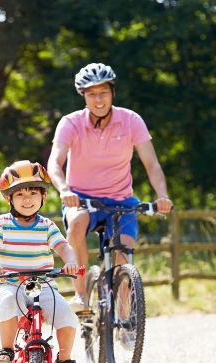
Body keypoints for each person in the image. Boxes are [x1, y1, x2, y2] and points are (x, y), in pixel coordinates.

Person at [46, 62, 173, 313]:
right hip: (81, 199)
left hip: (121, 199)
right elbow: (54, 163)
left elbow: (152, 163)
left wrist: (162, 196)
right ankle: (81, 293)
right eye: (92, 94)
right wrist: (64, 190)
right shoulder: (70, 123)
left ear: (112, 92)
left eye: (103, 92)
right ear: (84, 96)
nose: (98, 99)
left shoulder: (131, 121)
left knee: (124, 250)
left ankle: (124, 313)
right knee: (77, 222)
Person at [0, 160, 81, 363]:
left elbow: (63, 247)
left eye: (33, 193)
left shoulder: (47, 225)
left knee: (66, 315)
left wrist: (71, 261)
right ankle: (6, 349)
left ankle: (64, 360)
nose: (27, 200)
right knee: (7, 302)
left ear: (43, 197)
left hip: (42, 284)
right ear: (9, 199)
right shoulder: (1, 223)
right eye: (20, 194)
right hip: (10, 282)